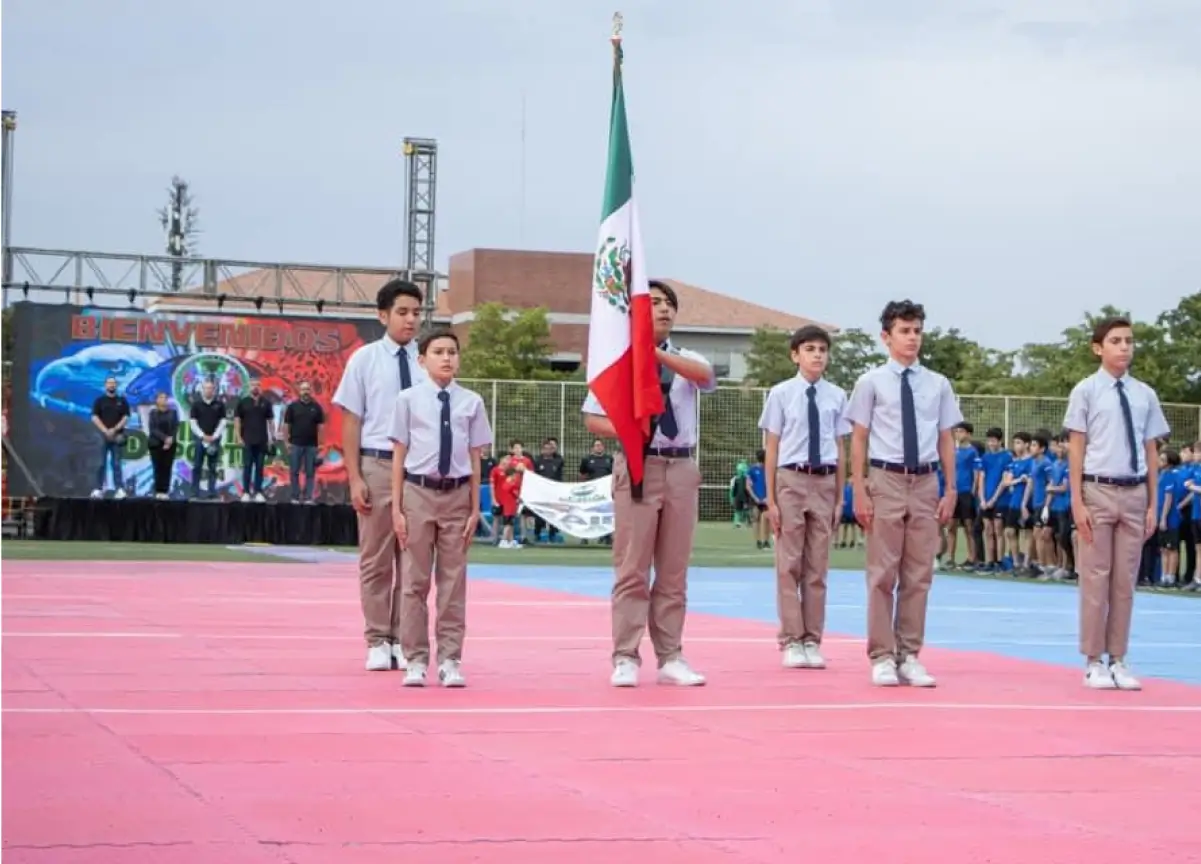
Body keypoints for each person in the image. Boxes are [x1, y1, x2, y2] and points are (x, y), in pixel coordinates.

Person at [582, 279, 716, 688]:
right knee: (632, 568)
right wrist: (628, 431)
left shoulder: (685, 358)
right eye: (654, 303)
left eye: (669, 304)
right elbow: (593, 418)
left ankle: (670, 656)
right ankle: (625, 655)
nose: (663, 309)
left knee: (673, 572)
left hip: (680, 465)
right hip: (639, 462)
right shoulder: (618, 361)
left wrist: (653, 353)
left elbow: (706, 377)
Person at [847, 300, 961, 688]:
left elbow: (945, 438)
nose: (912, 338)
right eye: (904, 331)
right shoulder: (871, 382)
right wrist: (859, 488)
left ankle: (909, 653)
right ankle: (881, 654)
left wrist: (950, 487)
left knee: (919, 573)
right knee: (883, 572)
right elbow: (859, 438)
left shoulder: (938, 384)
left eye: (917, 331)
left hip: (925, 480)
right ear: (887, 337)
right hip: (887, 478)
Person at [1064, 316, 1169, 690]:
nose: (1124, 347)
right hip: (1098, 490)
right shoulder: (1086, 391)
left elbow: (1151, 450)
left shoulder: (1145, 394)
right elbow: (1076, 448)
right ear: (1098, 348)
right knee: (1095, 578)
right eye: (1115, 341)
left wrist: (1153, 503)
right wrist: (1077, 501)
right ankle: (1093, 660)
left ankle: (1119, 658)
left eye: (1128, 340)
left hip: (1135, 491)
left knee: (1125, 581)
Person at [332, 279, 427, 672]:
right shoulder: (364, 359)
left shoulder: (429, 359)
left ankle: (404, 639)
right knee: (376, 560)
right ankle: (377, 639)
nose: (411, 320)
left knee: (414, 561)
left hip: (419, 470)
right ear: (383, 315)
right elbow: (351, 420)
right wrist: (355, 476)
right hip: (378, 463)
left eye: (417, 313)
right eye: (402, 312)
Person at [389, 329, 491, 688]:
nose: (447, 358)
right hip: (418, 492)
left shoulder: (471, 402)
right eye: (438, 352)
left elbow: (475, 456)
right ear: (422, 360)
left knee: (452, 582)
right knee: (414, 581)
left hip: (457, 494)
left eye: (452, 352)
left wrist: (475, 507)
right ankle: (415, 658)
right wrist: (397, 508)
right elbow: (399, 454)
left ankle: (450, 659)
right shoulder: (407, 400)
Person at [759, 324, 850, 670]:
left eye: (822, 350)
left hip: (824, 480)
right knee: (789, 565)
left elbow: (839, 447)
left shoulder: (837, 396)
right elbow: (772, 447)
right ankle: (791, 639)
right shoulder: (781, 394)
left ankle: (812, 638)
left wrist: (840, 498)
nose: (817, 355)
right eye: (810, 349)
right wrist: (771, 499)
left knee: (817, 566)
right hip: (791, 478)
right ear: (795, 355)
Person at [234, 378, 274, 503]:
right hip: (247, 440)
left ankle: (258, 492)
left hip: (262, 440)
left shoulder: (266, 403)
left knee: (260, 467)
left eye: (257, 385)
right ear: (249, 387)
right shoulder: (243, 402)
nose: (255, 387)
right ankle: (246, 492)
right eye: (253, 385)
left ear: (260, 387)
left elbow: (270, 421)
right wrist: (238, 437)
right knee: (247, 466)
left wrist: (271, 437)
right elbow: (237, 420)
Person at [90, 376, 131, 499]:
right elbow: (94, 417)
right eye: (109, 383)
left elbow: (126, 417)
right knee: (100, 463)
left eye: (113, 383)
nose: (111, 385)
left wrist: (114, 429)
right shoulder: (99, 401)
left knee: (117, 463)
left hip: (117, 435)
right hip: (102, 436)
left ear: (116, 385)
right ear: (105, 385)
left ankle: (119, 489)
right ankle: (98, 489)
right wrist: (105, 430)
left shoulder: (122, 401)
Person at [145, 391, 179, 499]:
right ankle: (158, 490)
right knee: (157, 468)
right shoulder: (153, 413)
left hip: (170, 444)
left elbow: (175, 427)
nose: (163, 399)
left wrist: (170, 440)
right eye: (161, 397)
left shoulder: (173, 413)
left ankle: (165, 491)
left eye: (165, 397)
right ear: (156, 400)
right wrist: (165, 439)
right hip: (155, 444)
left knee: (167, 468)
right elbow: (153, 429)